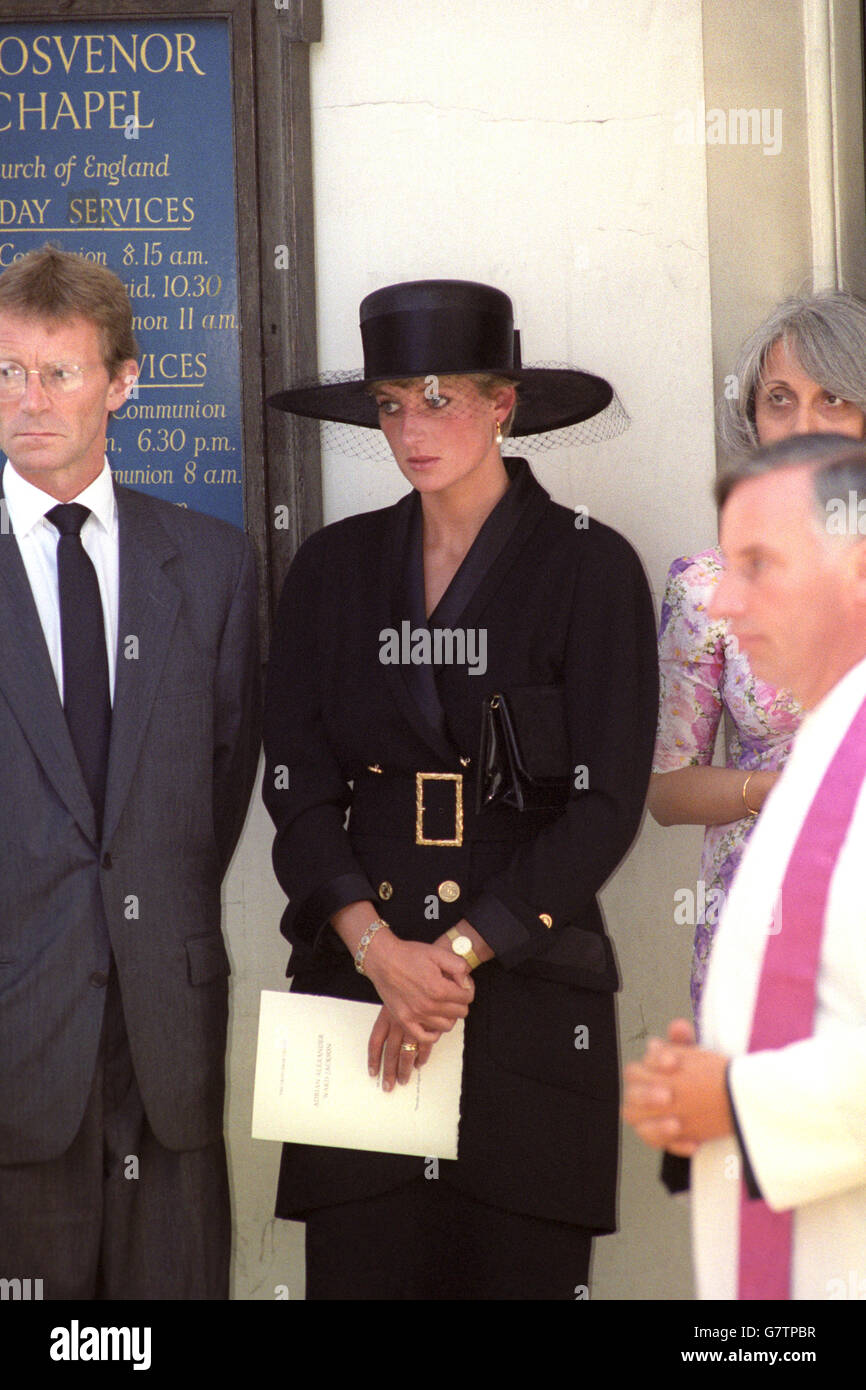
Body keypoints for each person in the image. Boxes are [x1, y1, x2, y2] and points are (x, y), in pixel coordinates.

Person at [263, 278, 658, 1300]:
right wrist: (374, 947)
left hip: (526, 991)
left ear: (502, 405)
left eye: (437, 398)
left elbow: (604, 803)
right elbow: (295, 787)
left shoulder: (590, 568)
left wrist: (454, 952)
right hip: (360, 990)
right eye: (391, 402)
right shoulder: (330, 569)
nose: (410, 427)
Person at [0, 246, 260, 1299]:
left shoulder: (210, 566)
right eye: (7, 371)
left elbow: (217, 783)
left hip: (166, 1042)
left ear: (123, 382)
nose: (28, 399)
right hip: (17, 1046)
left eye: (58, 372)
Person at [624, 431, 866, 1301]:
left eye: (758, 565)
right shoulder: (824, 751)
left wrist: (736, 1100)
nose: (720, 602)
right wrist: (703, 1076)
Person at [649, 291, 866, 1012]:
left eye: (832, 398)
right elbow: (667, 789)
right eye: (780, 399)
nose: (804, 424)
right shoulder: (708, 588)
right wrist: (778, 793)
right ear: (751, 419)